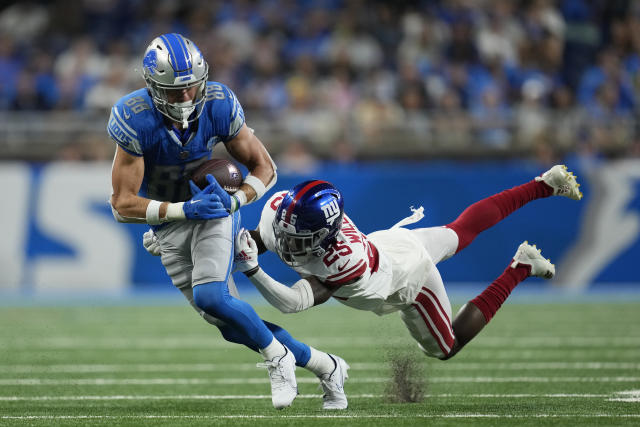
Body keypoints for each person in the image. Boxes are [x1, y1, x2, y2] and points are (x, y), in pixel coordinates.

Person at [108, 33, 348, 410]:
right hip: (171, 224)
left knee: (211, 295)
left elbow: (265, 167)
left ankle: (277, 357)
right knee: (232, 329)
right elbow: (122, 205)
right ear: (153, 87)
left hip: (215, 211)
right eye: (174, 91)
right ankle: (325, 365)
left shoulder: (219, 103)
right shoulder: (133, 115)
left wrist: (234, 200)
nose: (186, 98)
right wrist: (179, 212)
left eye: (191, 87)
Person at [232, 165, 582, 360]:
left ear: (326, 236)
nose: (288, 239)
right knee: (463, 229)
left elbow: (293, 303)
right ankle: (542, 185)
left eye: (301, 237)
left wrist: (253, 270)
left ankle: (520, 267)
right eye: (286, 228)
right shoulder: (281, 209)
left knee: (446, 348)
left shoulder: (343, 263)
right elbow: (261, 238)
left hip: (407, 280)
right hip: (393, 243)